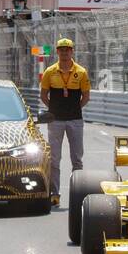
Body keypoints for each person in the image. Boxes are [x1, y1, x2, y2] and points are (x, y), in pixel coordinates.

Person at [39, 37, 90, 207]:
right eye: (61, 49)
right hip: (56, 121)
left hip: (75, 120)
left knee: (77, 158)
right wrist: (54, 109)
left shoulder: (81, 72)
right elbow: (44, 95)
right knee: (54, 159)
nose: (64, 52)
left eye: (67, 49)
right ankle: (54, 193)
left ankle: (79, 194)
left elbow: (86, 97)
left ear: (72, 51)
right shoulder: (49, 72)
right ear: (57, 51)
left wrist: (74, 108)